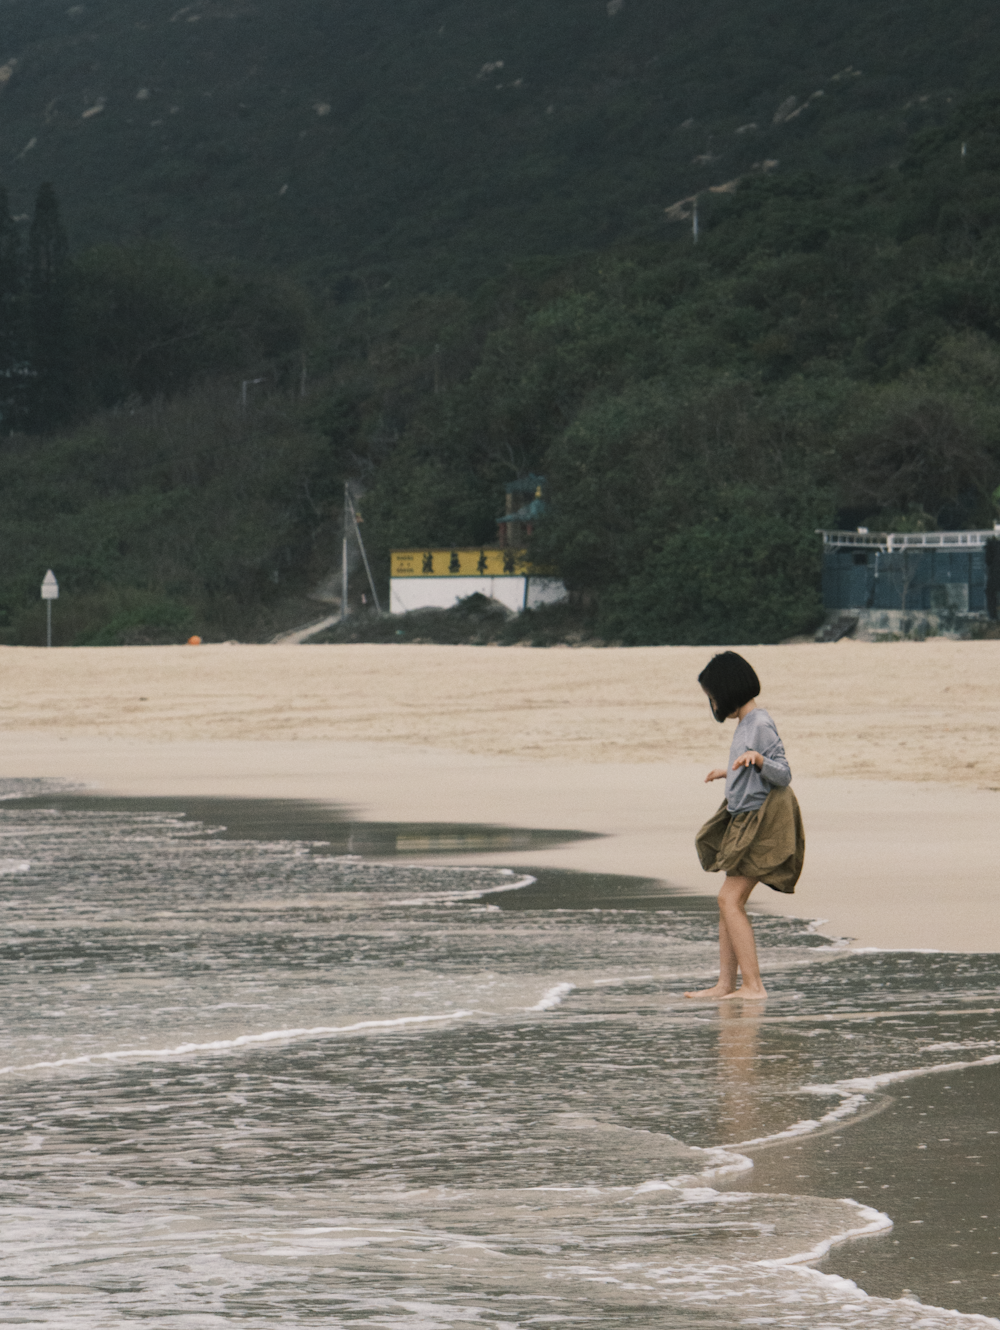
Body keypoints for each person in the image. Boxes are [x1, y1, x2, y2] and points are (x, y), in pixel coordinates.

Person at [684, 651, 804, 1001]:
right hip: (743, 818)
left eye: (713, 696)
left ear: (727, 691)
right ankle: (726, 984)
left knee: (728, 899)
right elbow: (749, 764)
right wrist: (731, 770)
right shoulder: (745, 724)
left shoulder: (761, 723)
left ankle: (753, 986)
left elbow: (783, 772)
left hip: (762, 820)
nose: (713, 704)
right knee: (728, 903)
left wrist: (761, 760)